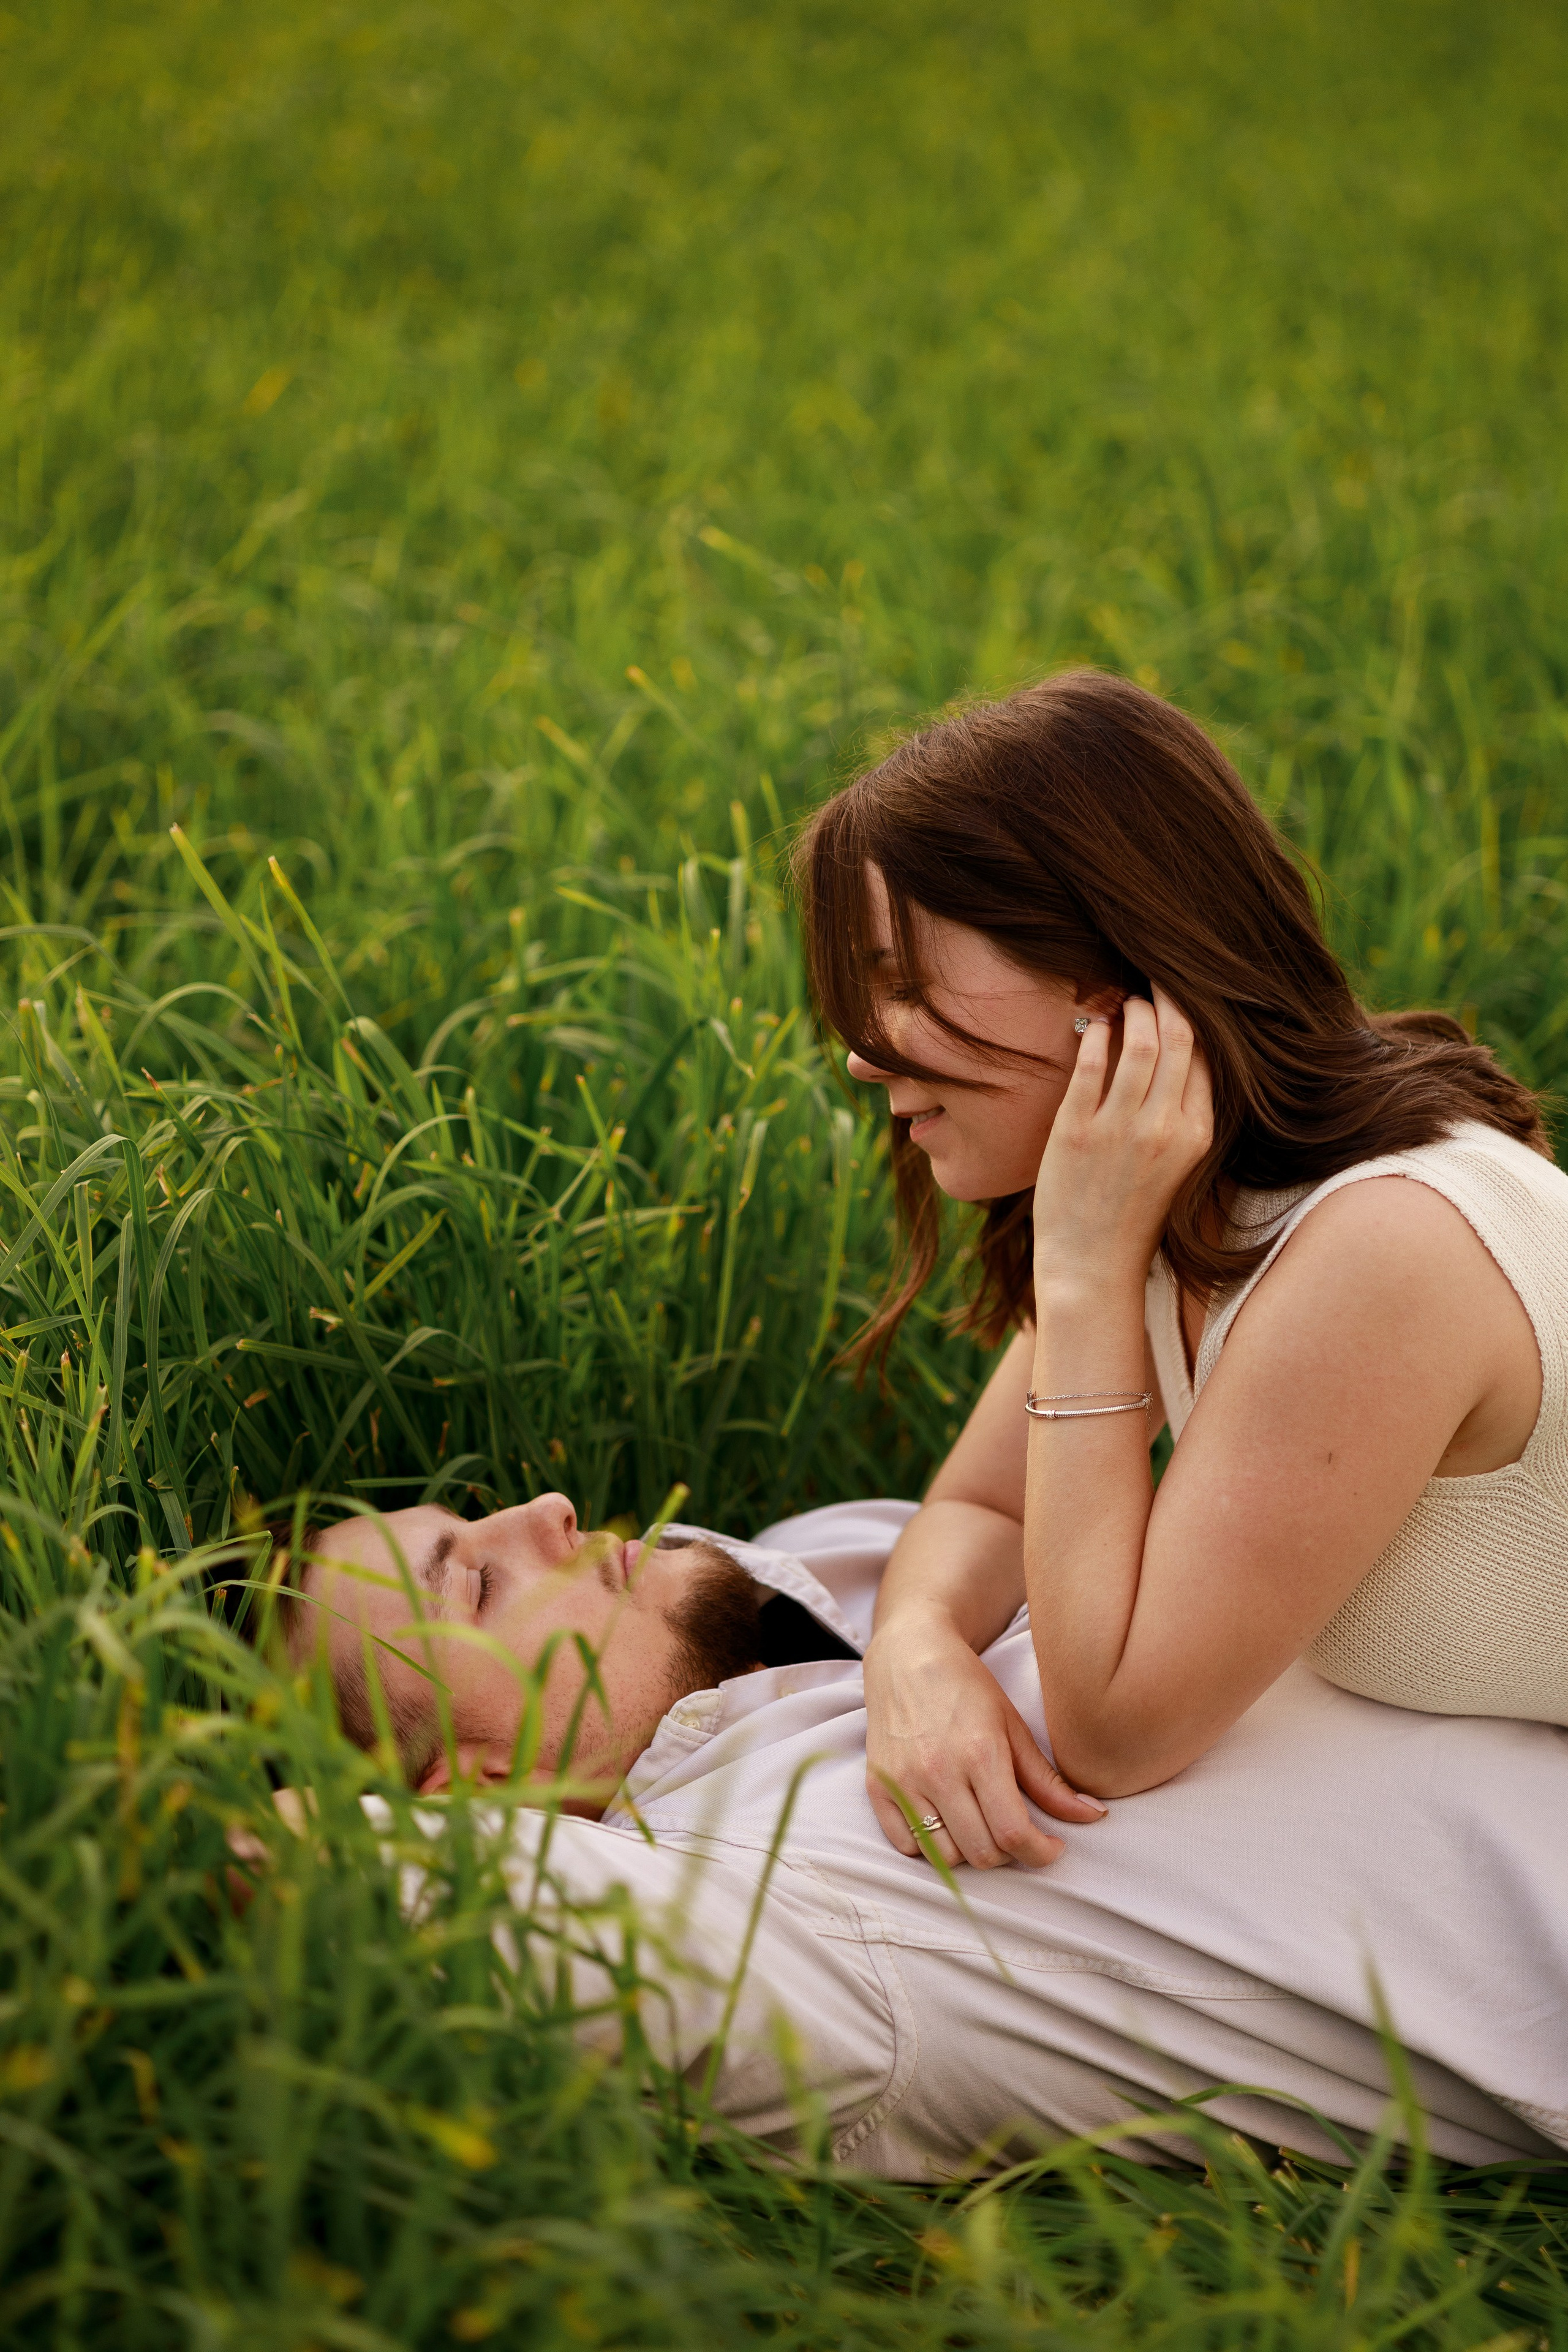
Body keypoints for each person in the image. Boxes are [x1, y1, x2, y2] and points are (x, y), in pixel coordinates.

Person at [791, 668, 1568, 1872]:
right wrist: (917, 1655)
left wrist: (1088, 1272)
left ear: (1106, 976)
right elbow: (978, 1506)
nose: (857, 1052)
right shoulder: (1194, 1185)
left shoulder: (1380, 1243)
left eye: (899, 984)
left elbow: (1116, 1727)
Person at [273, 1489, 1568, 2177]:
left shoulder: (806, 1566)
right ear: (472, 1790)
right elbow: (330, 1863)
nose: (549, 1511)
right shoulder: (770, 1914)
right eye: (479, 1579)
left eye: (478, 1513)